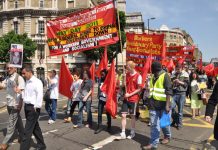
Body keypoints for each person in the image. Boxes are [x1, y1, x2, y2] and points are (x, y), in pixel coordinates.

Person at [143, 61, 173, 150]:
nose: (150, 70)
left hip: (164, 105)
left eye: (151, 69)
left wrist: (167, 105)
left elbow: (169, 91)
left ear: (154, 69)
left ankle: (167, 136)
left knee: (164, 124)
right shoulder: (152, 76)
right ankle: (153, 144)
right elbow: (152, 90)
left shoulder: (165, 76)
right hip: (153, 105)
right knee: (154, 125)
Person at [20, 65, 46, 150]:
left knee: (27, 131)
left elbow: (39, 95)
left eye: (24, 73)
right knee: (35, 128)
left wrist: (36, 107)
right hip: (27, 106)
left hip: (33, 108)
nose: (23, 75)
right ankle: (42, 145)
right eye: (22, 73)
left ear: (29, 72)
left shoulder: (37, 82)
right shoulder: (27, 81)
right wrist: (20, 92)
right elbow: (26, 95)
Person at [0, 64, 25, 150]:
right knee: (18, 122)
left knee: (11, 124)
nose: (9, 69)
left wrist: (20, 104)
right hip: (9, 104)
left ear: (15, 69)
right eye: (7, 68)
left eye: (11, 68)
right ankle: (23, 137)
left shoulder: (19, 78)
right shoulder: (7, 78)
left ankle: (5, 143)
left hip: (15, 104)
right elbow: (2, 86)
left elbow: (22, 92)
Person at [120, 61, 142, 139]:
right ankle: (123, 132)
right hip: (126, 98)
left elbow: (139, 89)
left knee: (132, 116)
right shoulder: (127, 75)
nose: (126, 68)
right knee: (123, 115)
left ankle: (132, 132)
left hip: (133, 99)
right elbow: (123, 85)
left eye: (127, 66)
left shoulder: (138, 76)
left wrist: (130, 94)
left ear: (131, 67)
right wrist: (123, 78)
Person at [171, 64, 189, 130]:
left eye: (178, 69)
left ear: (182, 68)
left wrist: (179, 82)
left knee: (180, 111)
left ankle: (179, 124)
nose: (177, 70)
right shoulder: (174, 73)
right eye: (176, 69)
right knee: (171, 107)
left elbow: (186, 84)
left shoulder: (185, 74)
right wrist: (173, 81)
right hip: (175, 93)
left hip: (182, 94)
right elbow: (171, 82)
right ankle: (176, 120)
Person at [95, 69, 112, 134]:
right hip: (101, 99)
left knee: (108, 113)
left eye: (103, 75)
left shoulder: (109, 81)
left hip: (107, 99)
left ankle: (109, 126)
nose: (101, 76)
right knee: (99, 113)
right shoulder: (100, 80)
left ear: (106, 75)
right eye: (101, 74)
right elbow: (99, 88)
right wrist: (98, 95)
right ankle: (99, 126)